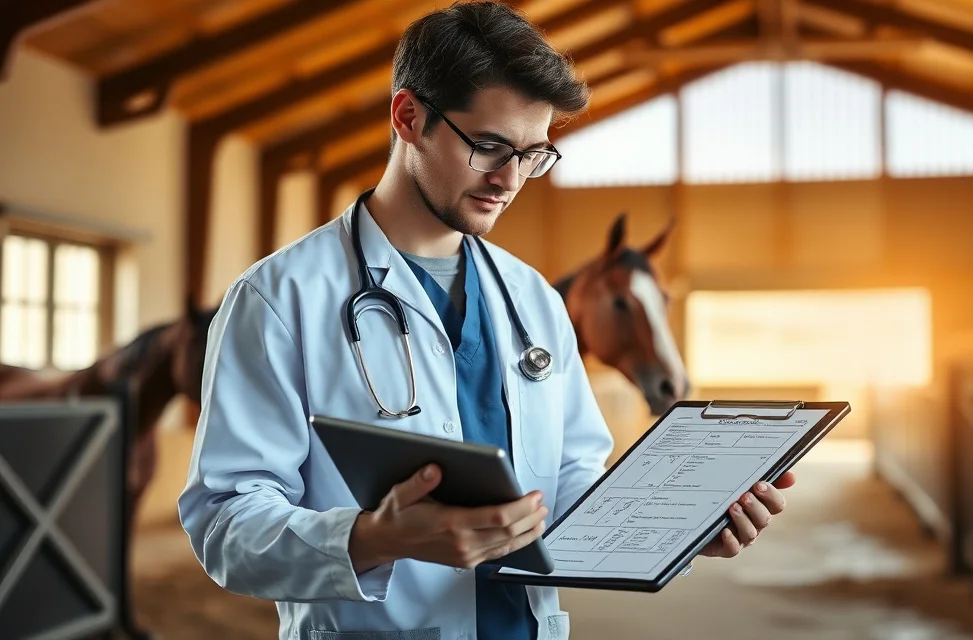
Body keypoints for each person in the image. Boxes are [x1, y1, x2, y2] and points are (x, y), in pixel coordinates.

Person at [177, 2, 796, 639]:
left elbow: (572, 484)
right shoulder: (281, 298)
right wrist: (374, 537)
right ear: (408, 116)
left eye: (533, 155)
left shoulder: (533, 300)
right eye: (490, 146)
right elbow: (224, 525)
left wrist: (679, 530)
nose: (509, 179)